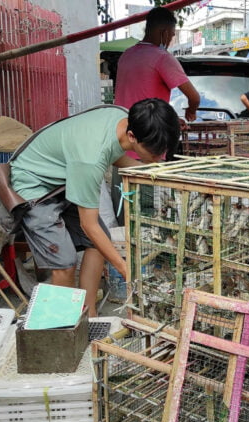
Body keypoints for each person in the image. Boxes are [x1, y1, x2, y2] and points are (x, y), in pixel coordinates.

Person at [10, 99, 181, 317]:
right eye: (156, 153)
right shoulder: (90, 160)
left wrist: (154, 168)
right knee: (64, 262)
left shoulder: (122, 116)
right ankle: (64, 329)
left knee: (98, 244)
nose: (160, 158)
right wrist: (124, 268)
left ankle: (89, 317)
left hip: (63, 177)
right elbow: (88, 225)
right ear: (132, 136)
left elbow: (114, 152)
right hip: (33, 185)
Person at [114, 7, 200, 122]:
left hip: (120, 128)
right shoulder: (163, 58)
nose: (170, 40)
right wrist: (191, 111)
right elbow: (194, 98)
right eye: (171, 35)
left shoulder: (126, 55)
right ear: (164, 33)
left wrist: (171, 121)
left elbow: (138, 95)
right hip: (146, 131)